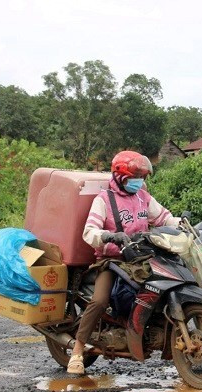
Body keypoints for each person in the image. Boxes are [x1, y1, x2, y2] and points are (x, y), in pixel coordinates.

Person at [67, 151, 182, 374]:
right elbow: (89, 233)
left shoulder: (142, 197)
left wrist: (182, 224)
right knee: (100, 301)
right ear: (120, 177)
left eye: (142, 177)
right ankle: (77, 352)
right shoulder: (104, 200)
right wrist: (110, 236)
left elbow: (163, 217)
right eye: (135, 177)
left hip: (140, 257)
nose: (139, 181)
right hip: (112, 261)